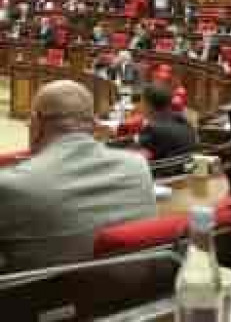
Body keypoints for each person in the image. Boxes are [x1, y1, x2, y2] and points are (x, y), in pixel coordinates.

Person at [0, 80, 156, 272]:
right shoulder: (137, 165)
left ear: (37, 123)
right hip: (134, 287)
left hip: (44, 291)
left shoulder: (12, 185)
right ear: (94, 123)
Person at [138, 83, 198, 160]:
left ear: (148, 105)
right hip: (184, 166)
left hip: (161, 167)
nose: (140, 105)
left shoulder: (152, 129)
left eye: (141, 101)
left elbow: (140, 160)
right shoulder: (185, 124)